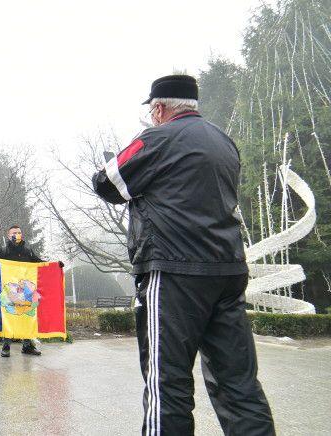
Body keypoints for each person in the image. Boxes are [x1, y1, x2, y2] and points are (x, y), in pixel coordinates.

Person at [92, 74, 275, 435]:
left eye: (152, 111)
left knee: (167, 385)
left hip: (175, 273)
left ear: (159, 108)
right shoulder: (223, 141)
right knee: (238, 384)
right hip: (227, 269)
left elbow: (106, 183)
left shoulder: (156, 138)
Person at [0, 225, 44, 357]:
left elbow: (39, 263)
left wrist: (54, 265)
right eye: (14, 232)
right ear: (9, 235)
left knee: (26, 316)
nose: (17, 234)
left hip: (25, 291)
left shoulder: (28, 251)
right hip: (10, 291)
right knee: (10, 316)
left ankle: (27, 346)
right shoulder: (2, 251)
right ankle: (6, 346)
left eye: (19, 232)